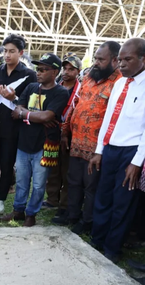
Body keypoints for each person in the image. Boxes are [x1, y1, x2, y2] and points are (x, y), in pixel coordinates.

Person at [88, 38, 145, 263]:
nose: (121, 64)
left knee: (122, 202)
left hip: (131, 152)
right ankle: (97, 240)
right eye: (119, 59)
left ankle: (112, 248)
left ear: (143, 59)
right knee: (103, 196)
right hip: (110, 148)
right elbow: (109, 118)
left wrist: (137, 161)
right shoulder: (120, 82)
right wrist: (100, 150)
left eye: (127, 59)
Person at [58, 42, 122, 235]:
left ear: (114, 61)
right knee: (73, 180)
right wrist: (65, 131)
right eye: (95, 58)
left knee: (91, 186)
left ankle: (87, 221)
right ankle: (72, 215)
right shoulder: (88, 78)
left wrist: (102, 149)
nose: (95, 63)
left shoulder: (119, 83)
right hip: (76, 141)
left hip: (97, 148)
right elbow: (75, 105)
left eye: (101, 59)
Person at [1, 53, 69, 227]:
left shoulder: (61, 92)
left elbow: (47, 116)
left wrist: (26, 115)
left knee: (39, 185)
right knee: (22, 181)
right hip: (24, 143)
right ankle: (18, 211)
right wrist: (33, 116)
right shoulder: (31, 87)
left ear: (54, 72)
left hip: (44, 145)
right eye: (37, 69)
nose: (38, 73)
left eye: (43, 70)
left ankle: (31, 213)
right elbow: (17, 109)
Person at [0, 34, 37, 215]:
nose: (7, 55)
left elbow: (32, 103)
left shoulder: (29, 75)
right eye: (5, 51)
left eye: (12, 51)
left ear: (20, 53)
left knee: (6, 164)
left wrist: (14, 98)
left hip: (13, 127)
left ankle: (1, 198)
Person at [44, 55, 82, 217]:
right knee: (52, 167)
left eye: (71, 69)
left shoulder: (82, 90)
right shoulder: (56, 86)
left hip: (71, 136)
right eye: (65, 68)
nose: (66, 72)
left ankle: (64, 202)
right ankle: (52, 198)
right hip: (52, 133)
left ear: (78, 71)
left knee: (67, 170)